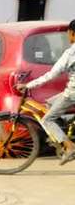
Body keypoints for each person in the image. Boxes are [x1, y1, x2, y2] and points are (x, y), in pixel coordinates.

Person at [21, 19, 75, 165]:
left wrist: (28, 85)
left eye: (68, 34)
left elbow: (51, 75)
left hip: (72, 93)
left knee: (46, 119)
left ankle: (69, 147)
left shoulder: (70, 53)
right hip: (71, 91)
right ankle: (60, 133)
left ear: (72, 34)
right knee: (49, 103)